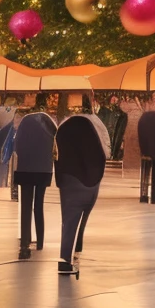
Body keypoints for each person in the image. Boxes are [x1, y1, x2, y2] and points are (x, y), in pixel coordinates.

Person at [54, 95, 106, 275]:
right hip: (89, 180)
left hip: (67, 178)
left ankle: (68, 256)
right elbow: (106, 151)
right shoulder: (96, 125)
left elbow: (55, 154)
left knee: (68, 220)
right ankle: (67, 258)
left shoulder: (64, 126)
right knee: (77, 219)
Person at [14, 95, 57, 257]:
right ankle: (40, 242)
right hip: (43, 169)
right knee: (39, 205)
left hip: (25, 168)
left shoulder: (26, 120)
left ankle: (25, 242)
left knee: (26, 206)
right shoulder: (49, 123)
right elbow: (55, 145)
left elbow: (17, 144)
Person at [136, 98, 155, 203]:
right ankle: (153, 197)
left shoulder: (143, 119)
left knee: (145, 172)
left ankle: (143, 195)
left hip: (146, 151)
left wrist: (144, 150)